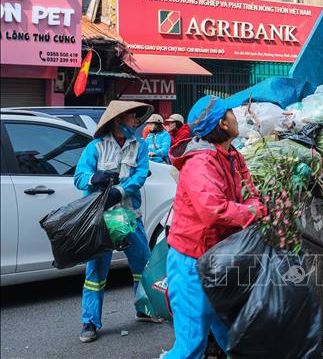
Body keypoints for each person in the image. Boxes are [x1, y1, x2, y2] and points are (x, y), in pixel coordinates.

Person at [162, 95, 267, 358]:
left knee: (235, 337)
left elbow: (249, 191)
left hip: (221, 259)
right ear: (222, 123)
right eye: (231, 113)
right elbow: (213, 211)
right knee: (190, 346)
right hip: (191, 263)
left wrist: (256, 205)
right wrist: (254, 211)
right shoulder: (200, 162)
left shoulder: (234, 156)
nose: (236, 117)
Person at [73, 100, 162, 343]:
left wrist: (119, 191)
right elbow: (79, 178)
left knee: (142, 264)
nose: (136, 122)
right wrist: (95, 177)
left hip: (127, 216)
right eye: (132, 117)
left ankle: (143, 309)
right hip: (101, 218)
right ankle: (89, 322)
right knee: (96, 271)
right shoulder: (95, 147)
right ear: (118, 120)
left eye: (136, 117)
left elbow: (141, 175)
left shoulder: (140, 146)